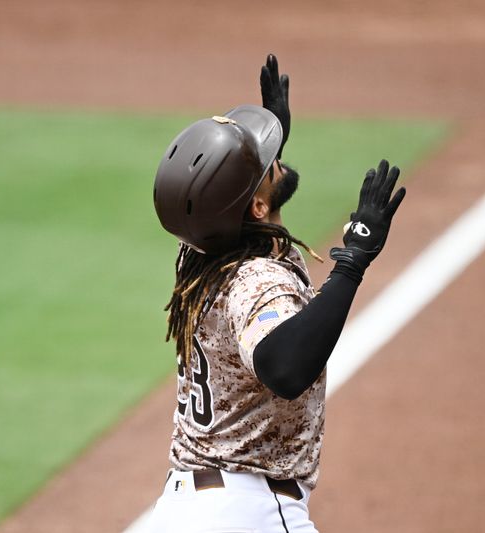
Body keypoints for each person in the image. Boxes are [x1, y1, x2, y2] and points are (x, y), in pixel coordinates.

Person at [144, 54, 406, 533]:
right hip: (248, 514)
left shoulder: (199, 256)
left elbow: (227, 207)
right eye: (262, 164)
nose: (271, 159)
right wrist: (352, 262)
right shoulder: (256, 282)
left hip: (179, 512)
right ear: (259, 206)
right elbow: (284, 366)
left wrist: (262, 150)